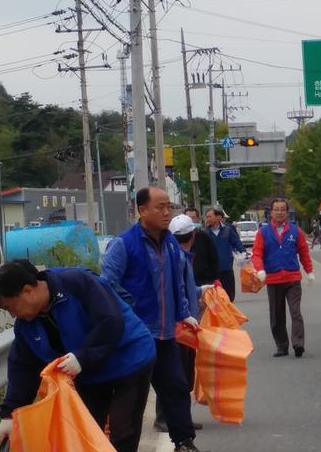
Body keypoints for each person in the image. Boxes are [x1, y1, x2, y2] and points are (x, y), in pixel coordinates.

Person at [0, 260, 156, 452]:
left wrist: (83, 356)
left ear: (27, 291)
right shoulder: (26, 325)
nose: (12, 315)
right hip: (90, 374)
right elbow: (23, 370)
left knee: (122, 432)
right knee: (87, 433)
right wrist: (9, 414)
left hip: (129, 359)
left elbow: (110, 321)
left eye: (10, 307)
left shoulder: (76, 283)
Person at [101, 187, 205, 452]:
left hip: (165, 334)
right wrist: (132, 307)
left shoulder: (170, 242)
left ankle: (183, 442)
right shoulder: (124, 244)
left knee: (177, 387)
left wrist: (184, 314)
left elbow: (176, 283)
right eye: (159, 207)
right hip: (136, 337)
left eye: (168, 206)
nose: (166, 212)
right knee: (133, 399)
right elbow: (107, 284)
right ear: (142, 210)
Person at [156, 214, 212, 434]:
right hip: (178, 326)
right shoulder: (177, 258)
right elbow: (176, 292)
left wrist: (200, 291)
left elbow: (184, 290)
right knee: (172, 375)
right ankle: (164, 418)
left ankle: (181, 417)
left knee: (182, 375)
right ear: (194, 234)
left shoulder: (179, 256)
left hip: (183, 324)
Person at [251, 198, 315, 358]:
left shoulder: (295, 231)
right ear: (271, 212)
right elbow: (257, 253)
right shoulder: (263, 233)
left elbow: (304, 252)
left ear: (287, 213)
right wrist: (260, 270)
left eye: (282, 209)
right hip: (273, 279)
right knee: (276, 315)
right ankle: (282, 345)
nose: (279, 212)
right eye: (276, 209)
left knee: (295, 312)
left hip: (292, 278)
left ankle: (298, 344)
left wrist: (309, 271)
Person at [205, 205, 246, 302]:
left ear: (218, 217)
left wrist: (244, 254)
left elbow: (237, 243)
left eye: (210, 216)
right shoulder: (205, 233)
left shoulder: (227, 230)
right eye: (207, 217)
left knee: (229, 296)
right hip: (212, 272)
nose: (208, 219)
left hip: (226, 269)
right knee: (215, 299)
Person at [184, 208, 219, 287]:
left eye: (193, 218)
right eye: (188, 218)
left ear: (198, 219)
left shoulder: (204, 236)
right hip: (186, 282)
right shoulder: (178, 237)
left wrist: (213, 279)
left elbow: (213, 259)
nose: (191, 221)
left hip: (204, 282)